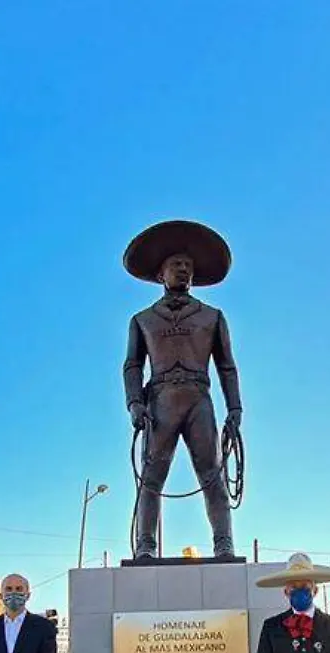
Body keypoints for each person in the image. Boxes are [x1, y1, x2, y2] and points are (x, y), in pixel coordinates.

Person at [122, 219, 243, 559]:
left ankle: (224, 544)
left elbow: (227, 366)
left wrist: (235, 409)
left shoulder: (212, 316)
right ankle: (145, 546)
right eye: (176, 265)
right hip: (159, 401)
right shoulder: (142, 320)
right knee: (151, 477)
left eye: (188, 266)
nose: (183, 271)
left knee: (212, 474)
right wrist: (134, 403)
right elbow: (132, 365)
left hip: (198, 400)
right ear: (161, 273)